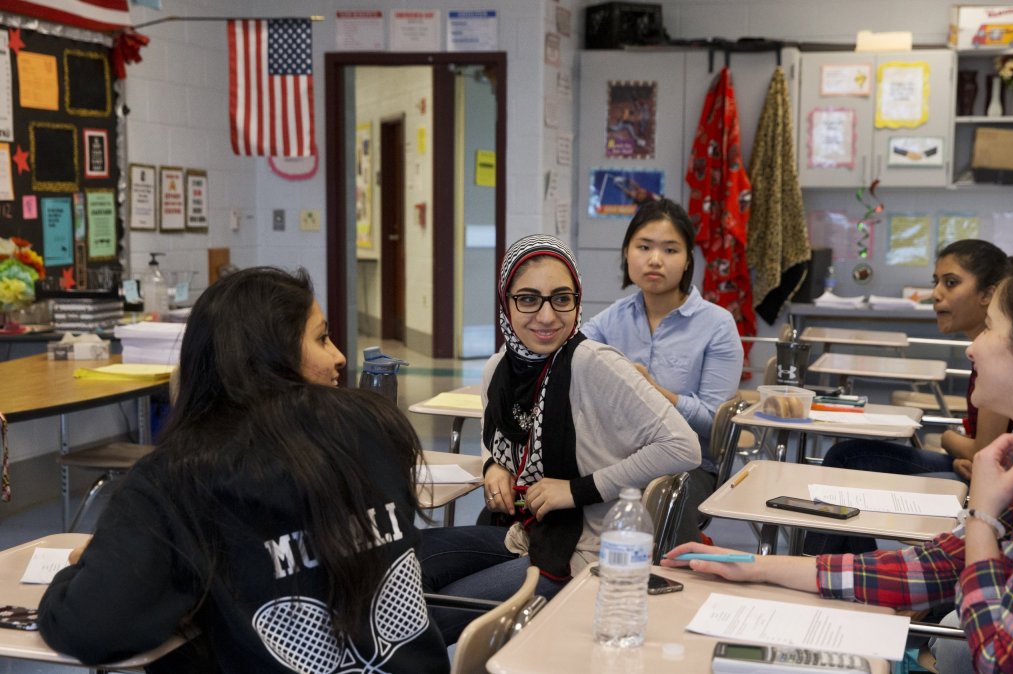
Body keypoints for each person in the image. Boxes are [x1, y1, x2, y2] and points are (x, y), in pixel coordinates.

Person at [665, 256, 1013, 673]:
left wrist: (984, 519)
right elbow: (937, 567)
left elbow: (1004, 661)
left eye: (989, 329)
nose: (972, 349)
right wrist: (755, 567)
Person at [38, 268, 449, 673]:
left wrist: (80, 570)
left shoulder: (177, 477)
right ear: (271, 354)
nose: (339, 356)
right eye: (322, 338)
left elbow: (89, 628)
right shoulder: (375, 426)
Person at [420, 235, 700, 639]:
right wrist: (493, 463)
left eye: (562, 298)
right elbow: (496, 431)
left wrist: (577, 489)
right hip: (528, 532)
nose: (548, 316)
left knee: (432, 615)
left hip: (584, 550)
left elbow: (683, 446)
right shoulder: (499, 368)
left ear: (577, 300)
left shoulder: (593, 363)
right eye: (529, 299)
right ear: (506, 301)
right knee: (401, 565)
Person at [804, 239, 1013, 554]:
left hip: (983, 483)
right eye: (936, 282)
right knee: (845, 457)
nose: (936, 294)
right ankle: (847, 567)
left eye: (951, 283)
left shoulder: (998, 354)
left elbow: (982, 452)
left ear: (988, 294)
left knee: (847, 466)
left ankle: (826, 568)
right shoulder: (982, 350)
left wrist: (947, 438)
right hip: (968, 467)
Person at [583, 199, 741, 543]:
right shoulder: (611, 319)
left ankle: (671, 583)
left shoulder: (717, 325)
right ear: (627, 253)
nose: (655, 260)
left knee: (667, 498)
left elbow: (716, 425)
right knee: (530, 489)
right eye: (643, 247)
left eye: (670, 250)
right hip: (616, 459)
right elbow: (569, 363)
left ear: (687, 261)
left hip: (688, 467)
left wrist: (653, 391)